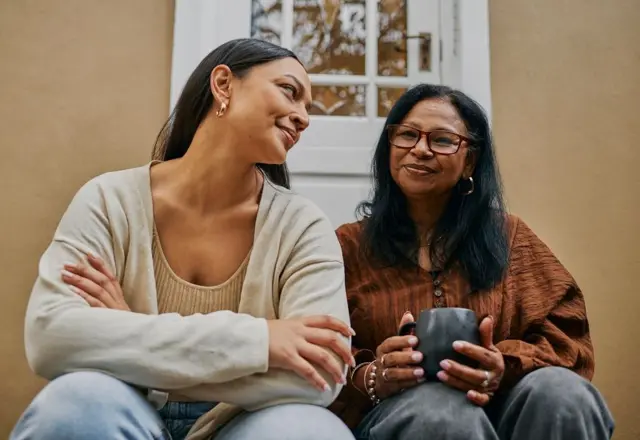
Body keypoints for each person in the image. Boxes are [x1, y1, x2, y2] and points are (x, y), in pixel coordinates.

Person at [11, 38, 357, 440]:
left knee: (309, 432)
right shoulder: (109, 200)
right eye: (290, 92)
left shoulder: (302, 227)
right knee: (73, 405)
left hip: (243, 423)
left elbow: (322, 373)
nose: (303, 118)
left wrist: (130, 334)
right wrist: (260, 341)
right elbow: (51, 337)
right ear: (224, 84)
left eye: (308, 108)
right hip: (121, 410)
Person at [329, 84, 614, 439]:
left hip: (508, 407)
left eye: (443, 140)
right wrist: (373, 375)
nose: (419, 149)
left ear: (470, 161)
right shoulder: (348, 245)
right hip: (402, 416)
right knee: (441, 413)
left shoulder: (509, 237)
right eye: (407, 135)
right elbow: (322, 348)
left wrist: (503, 364)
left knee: (564, 395)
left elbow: (566, 339)